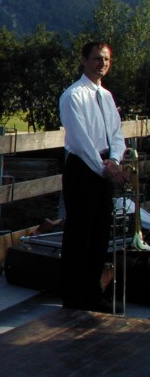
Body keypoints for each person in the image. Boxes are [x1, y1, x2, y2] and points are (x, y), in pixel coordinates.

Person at [59, 40, 129, 312]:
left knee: (100, 233)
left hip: (103, 169)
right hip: (82, 169)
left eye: (107, 60)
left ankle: (92, 293)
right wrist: (104, 167)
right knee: (79, 233)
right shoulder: (73, 96)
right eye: (98, 59)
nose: (103, 65)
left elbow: (116, 134)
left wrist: (113, 160)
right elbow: (80, 140)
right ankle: (73, 297)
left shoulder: (107, 96)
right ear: (85, 61)